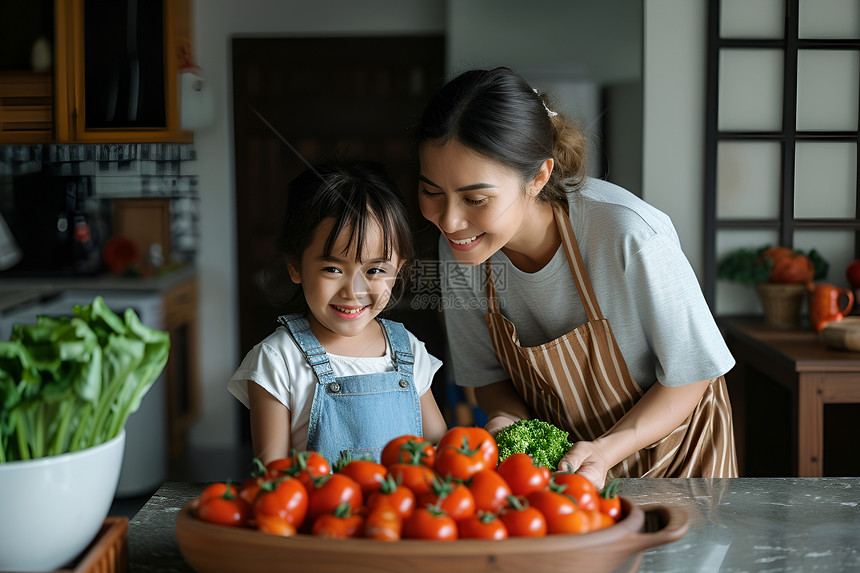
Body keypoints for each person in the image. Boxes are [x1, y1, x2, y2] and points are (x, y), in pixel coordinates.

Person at [415, 67, 737, 489]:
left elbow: (692, 375)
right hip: (566, 474)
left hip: (679, 459)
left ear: (539, 176)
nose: (451, 221)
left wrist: (604, 451)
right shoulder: (458, 250)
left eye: (476, 198)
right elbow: (488, 376)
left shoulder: (629, 232)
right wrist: (509, 424)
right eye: (431, 193)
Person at [228, 161, 447, 466]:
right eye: (332, 269)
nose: (353, 291)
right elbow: (272, 480)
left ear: (400, 270)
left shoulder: (407, 349)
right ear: (294, 266)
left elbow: (438, 449)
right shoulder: (278, 360)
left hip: (398, 513)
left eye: (375, 270)